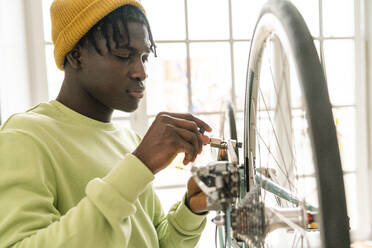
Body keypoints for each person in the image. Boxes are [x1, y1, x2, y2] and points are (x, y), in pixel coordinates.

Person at [0, 0, 213, 247]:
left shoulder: (128, 140)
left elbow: (155, 241)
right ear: (77, 55)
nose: (141, 72)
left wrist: (191, 209)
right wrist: (140, 164)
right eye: (124, 55)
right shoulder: (24, 136)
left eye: (144, 57)